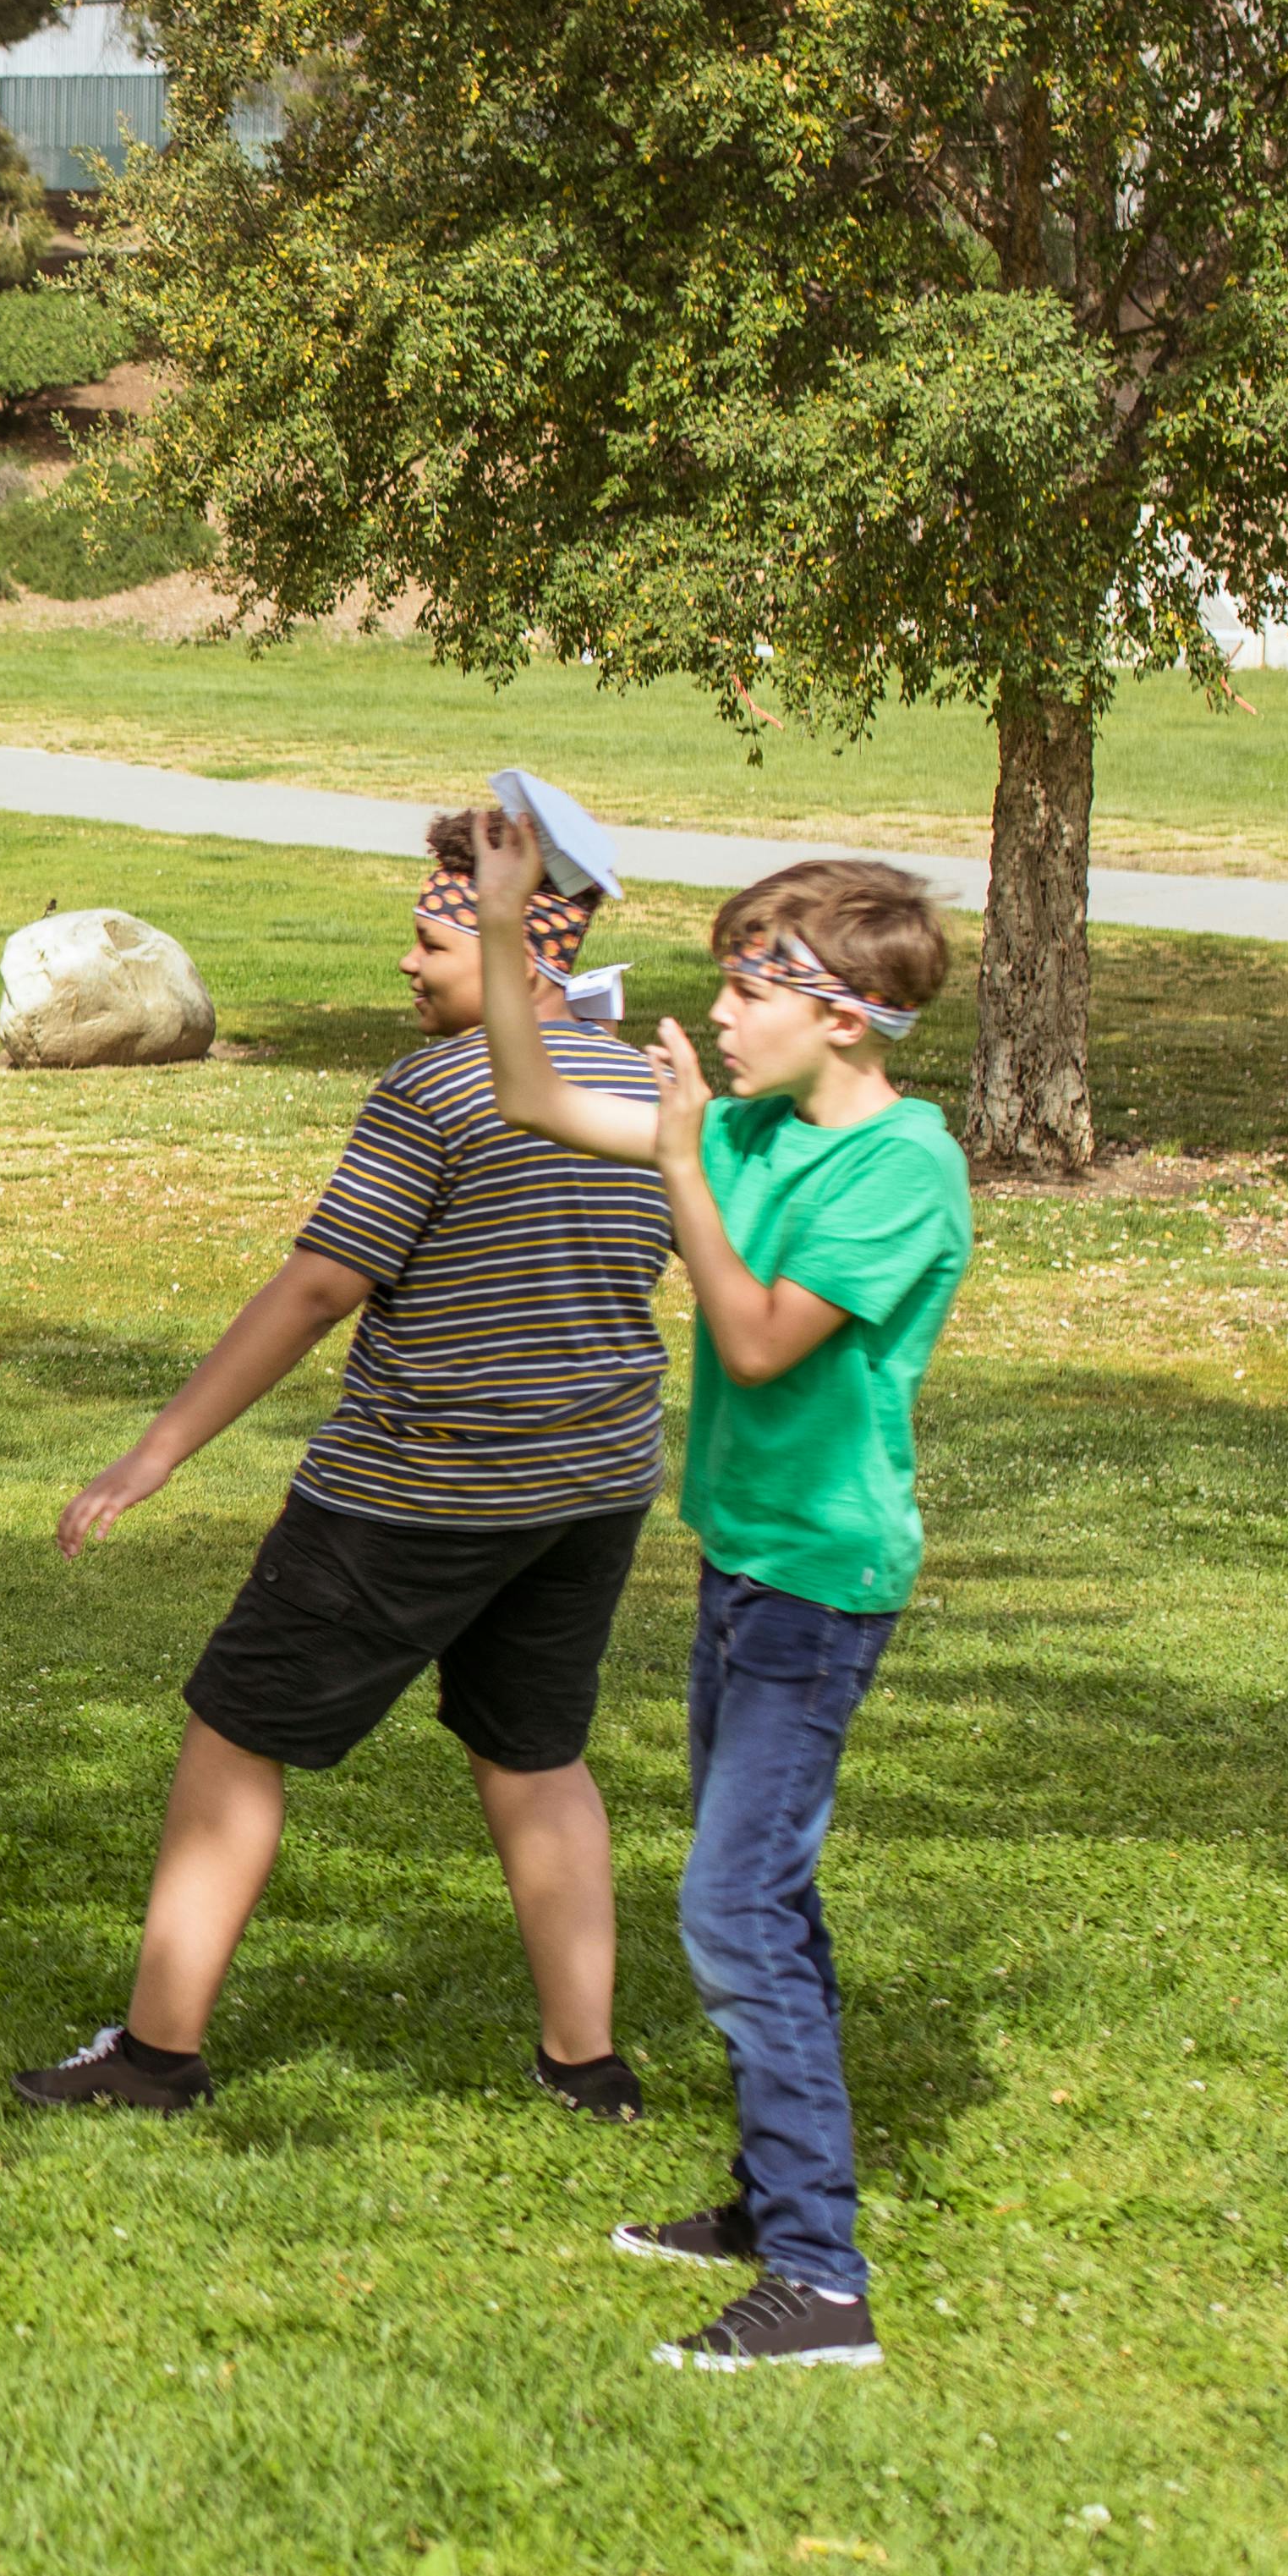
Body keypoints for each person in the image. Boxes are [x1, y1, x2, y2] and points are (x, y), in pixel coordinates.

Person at [16, 808, 676, 2123]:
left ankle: (154, 2058)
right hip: (590, 1488)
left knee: (237, 1730)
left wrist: (154, 1453)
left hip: (414, 1488)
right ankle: (584, 2066)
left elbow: (323, 1285)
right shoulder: (653, 1089)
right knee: (535, 1754)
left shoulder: (438, 1090)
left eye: (431, 939)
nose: (408, 966)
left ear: (516, 944)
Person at [469, 823, 970, 2375]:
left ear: (838, 1012)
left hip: (823, 1584)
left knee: (734, 1907)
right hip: (748, 1564)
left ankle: (821, 2281)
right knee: (770, 1890)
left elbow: (755, 1341)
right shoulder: (753, 1132)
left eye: (746, 988)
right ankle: (772, 2202)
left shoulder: (900, 1167)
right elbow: (534, 1094)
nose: (718, 1016)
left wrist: (686, 1157)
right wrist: (502, 932)